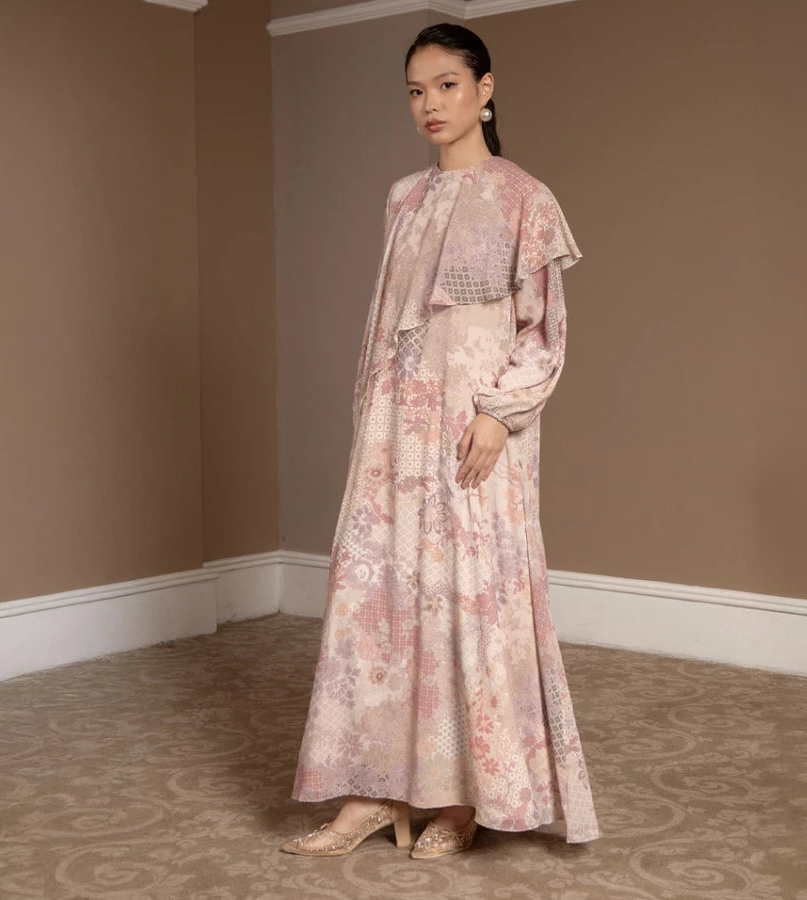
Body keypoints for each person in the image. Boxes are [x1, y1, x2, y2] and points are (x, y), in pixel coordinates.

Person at [280, 22, 600, 859]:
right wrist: (373, 426)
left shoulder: (525, 197)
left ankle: (459, 799)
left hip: (476, 431)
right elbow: (386, 328)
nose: (430, 104)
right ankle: (371, 791)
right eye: (417, 90)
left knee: (467, 600)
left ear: (486, 90)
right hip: (394, 429)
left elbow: (544, 331)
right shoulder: (403, 198)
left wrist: (500, 414)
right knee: (380, 603)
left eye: (448, 85)